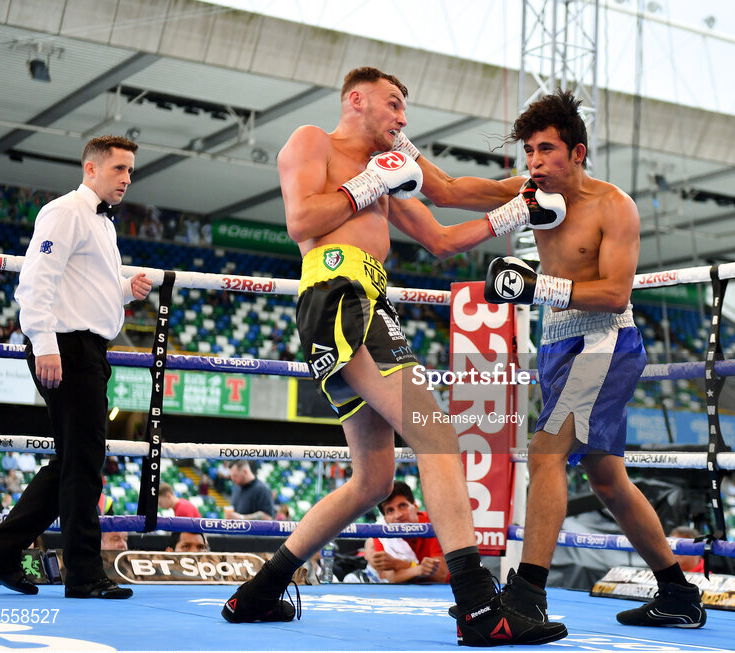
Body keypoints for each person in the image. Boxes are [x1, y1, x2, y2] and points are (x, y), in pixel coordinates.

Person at [221, 67, 566, 646]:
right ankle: (479, 607)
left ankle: (257, 592)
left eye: (405, 109)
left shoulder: (389, 175)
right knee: (435, 433)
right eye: (393, 104)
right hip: (338, 291)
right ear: (355, 100)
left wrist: (518, 204)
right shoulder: (312, 142)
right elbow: (301, 220)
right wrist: (369, 182)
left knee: (374, 480)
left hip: (366, 298)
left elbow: (444, 233)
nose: (403, 118)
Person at [413, 90, 705, 630]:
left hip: (604, 342)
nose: (535, 162)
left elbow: (616, 293)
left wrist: (537, 286)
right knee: (607, 478)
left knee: (546, 456)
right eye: (528, 151)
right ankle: (678, 594)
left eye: (546, 149)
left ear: (578, 152)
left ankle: (527, 598)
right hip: (558, 345)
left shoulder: (614, 206)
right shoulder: (529, 192)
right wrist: (394, 145)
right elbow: (449, 190)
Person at [0, 135, 151, 600]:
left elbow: (87, 286)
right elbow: (36, 280)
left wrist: (125, 287)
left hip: (86, 349)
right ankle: (83, 573)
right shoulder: (64, 211)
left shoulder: (103, 226)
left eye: (131, 171)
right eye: (119, 169)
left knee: (76, 460)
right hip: (65, 348)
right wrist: (44, 342)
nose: (127, 179)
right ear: (90, 169)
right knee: (83, 463)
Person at [364, 481, 448, 584]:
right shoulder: (381, 534)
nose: (398, 515)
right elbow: (392, 578)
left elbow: (440, 576)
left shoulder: (433, 524)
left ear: (415, 507)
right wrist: (418, 569)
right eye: (390, 510)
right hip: (408, 595)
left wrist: (399, 564)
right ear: (385, 519)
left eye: (402, 506)